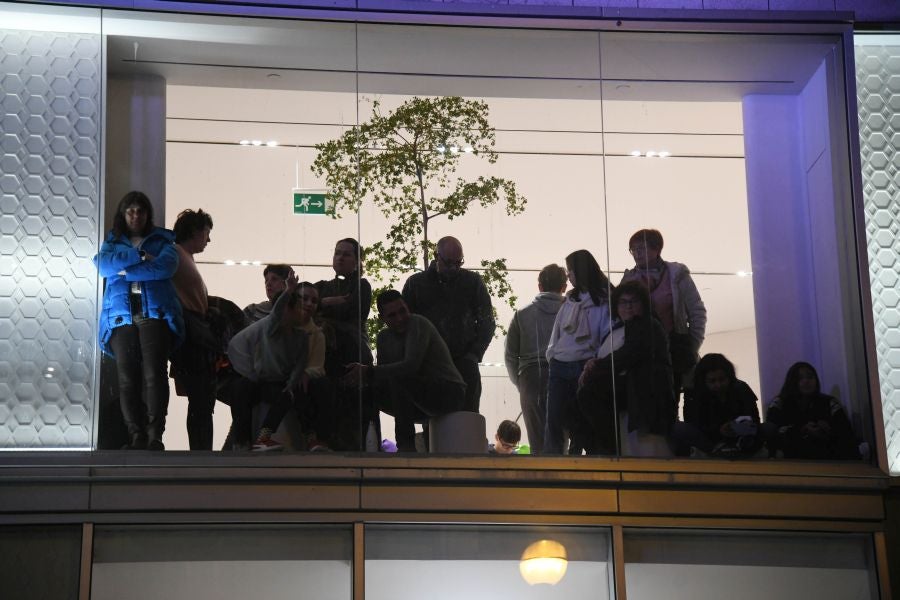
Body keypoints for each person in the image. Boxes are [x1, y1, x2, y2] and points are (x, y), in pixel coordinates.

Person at [95, 191, 183, 451]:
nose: (136, 215)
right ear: (123, 214)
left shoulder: (164, 240)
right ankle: (135, 436)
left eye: (140, 211)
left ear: (148, 214)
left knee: (155, 376)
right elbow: (102, 266)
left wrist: (122, 269)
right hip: (120, 316)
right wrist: (140, 257)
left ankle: (155, 435)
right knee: (127, 380)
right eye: (130, 211)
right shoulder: (112, 242)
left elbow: (165, 268)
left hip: (155, 314)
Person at [343, 290, 466, 452]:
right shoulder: (383, 338)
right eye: (392, 315)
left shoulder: (418, 323)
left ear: (409, 309)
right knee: (367, 392)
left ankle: (405, 445)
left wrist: (369, 372)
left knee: (399, 377)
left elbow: (410, 365)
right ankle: (368, 443)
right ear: (383, 319)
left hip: (448, 392)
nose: (400, 318)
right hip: (412, 398)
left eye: (402, 311)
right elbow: (384, 378)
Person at [227, 271, 328, 451]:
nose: (305, 308)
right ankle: (241, 442)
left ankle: (306, 438)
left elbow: (300, 364)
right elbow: (277, 311)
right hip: (261, 379)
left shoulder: (304, 336)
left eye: (312, 302)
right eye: (300, 303)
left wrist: (291, 383)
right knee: (241, 389)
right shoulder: (272, 327)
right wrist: (289, 290)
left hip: (281, 381)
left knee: (290, 396)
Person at [578, 280, 675, 457]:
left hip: (645, 392)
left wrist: (596, 366)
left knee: (587, 395)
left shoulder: (645, 324)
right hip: (634, 390)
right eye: (623, 302)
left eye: (634, 302)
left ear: (643, 304)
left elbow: (629, 354)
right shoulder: (623, 329)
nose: (628, 307)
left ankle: (607, 448)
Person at [402, 236, 495, 413]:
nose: (453, 268)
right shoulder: (416, 284)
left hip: (464, 362)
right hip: (430, 365)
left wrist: (474, 354)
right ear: (437, 256)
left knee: (467, 418)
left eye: (458, 263)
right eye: (449, 263)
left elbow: (487, 321)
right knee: (433, 421)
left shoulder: (472, 282)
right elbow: (406, 325)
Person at [620, 229, 706, 402]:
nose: (636, 254)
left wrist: (692, 345)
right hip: (639, 352)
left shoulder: (677, 274)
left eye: (641, 248)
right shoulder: (628, 278)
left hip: (672, 349)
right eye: (633, 249)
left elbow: (697, 311)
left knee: (669, 402)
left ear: (657, 248)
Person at [544, 250, 613, 454]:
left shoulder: (604, 300)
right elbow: (556, 332)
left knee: (583, 421)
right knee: (555, 419)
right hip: (560, 364)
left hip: (586, 365)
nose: (569, 276)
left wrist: (596, 362)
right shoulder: (570, 299)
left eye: (571, 271)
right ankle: (553, 463)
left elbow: (607, 336)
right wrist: (553, 356)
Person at [315, 239, 374, 450]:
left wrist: (321, 307)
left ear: (358, 261)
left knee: (352, 406)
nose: (340, 257)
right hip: (328, 356)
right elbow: (301, 305)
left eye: (346, 254)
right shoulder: (322, 287)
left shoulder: (362, 285)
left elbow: (354, 310)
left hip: (352, 352)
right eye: (337, 252)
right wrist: (328, 302)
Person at [504, 263, 567, 455]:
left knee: (538, 443)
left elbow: (510, 356)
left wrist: (521, 382)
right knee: (561, 437)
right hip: (565, 374)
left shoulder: (522, 315)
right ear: (564, 286)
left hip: (531, 378)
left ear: (539, 285)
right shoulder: (572, 311)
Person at [170, 208, 217, 450]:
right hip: (190, 333)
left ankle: (201, 449)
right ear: (195, 231)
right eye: (206, 233)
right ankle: (201, 451)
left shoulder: (185, 256)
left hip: (194, 331)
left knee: (201, 397)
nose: (208, 240)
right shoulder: (176, 254)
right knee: (200, 396)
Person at [763, 362, 859, 460]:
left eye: (810, 377)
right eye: (800, 378)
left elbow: (846, 433)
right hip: (790, 460)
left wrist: (828, 430)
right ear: (792, 381)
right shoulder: (780, 403)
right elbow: (771, 434)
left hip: (826, 459)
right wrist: (802, 430)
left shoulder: (829, 402)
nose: (806, 381)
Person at [670, 353, 760, 457]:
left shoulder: (741, 389)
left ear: (729, 377)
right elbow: (693, 422)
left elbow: (754, 419)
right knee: (678, 428)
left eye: (722, 379)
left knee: (767, 429)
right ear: (703, 381)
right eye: (712, 381)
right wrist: (719, 430)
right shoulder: (694, 393)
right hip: (708, 440)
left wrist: (737, 427)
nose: (718, 385)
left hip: (740, 439)